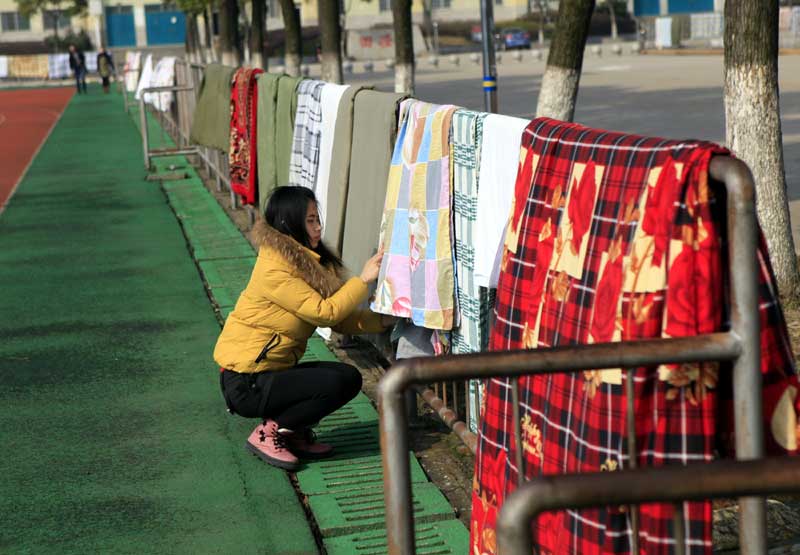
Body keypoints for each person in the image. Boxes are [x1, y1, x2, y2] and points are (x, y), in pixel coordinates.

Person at [214, 186, 394, 471]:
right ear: (289, 223)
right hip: (246, 381)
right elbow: (325, 313)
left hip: (270, 372)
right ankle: (268, 432)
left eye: (317, 218)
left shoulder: (309, 263)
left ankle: (291, 433)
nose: (318, 227)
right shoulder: (274, 268)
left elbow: (340, 320)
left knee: (346, 376)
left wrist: (383, 320)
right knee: (334, 383)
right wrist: (363, 280)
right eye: (310, 220)